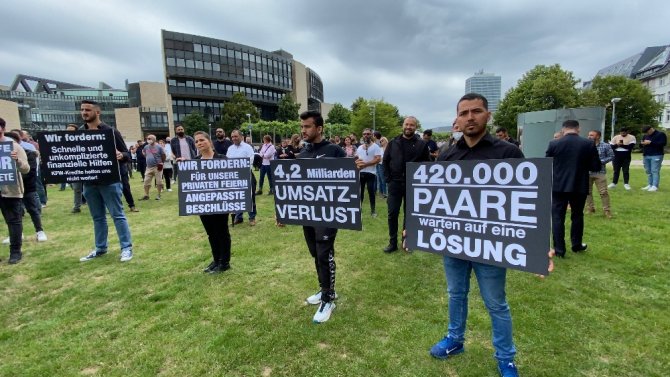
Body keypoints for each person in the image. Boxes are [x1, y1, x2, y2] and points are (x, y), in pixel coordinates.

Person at [431, 93, 526, 377]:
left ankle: (506, 357)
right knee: (456, 293)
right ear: (457, 119)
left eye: (476, 111)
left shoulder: (508, 153)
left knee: (496, 302)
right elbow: (434, 197)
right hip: (454, 240)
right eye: (464, 113)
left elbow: (526, 201)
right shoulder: (448, 154)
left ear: (488, 115)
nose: (470, 117)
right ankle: (455, 340)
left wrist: (536, 243)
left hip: (491, 244)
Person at [298, 110, 346, 323]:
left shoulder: (335, 151)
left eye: (307, 126)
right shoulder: (303, 154)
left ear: (319, 128)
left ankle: (328, 298)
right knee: (315, 254)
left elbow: (347, 181)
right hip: (308, 214)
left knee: (325, 254)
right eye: (302, 127)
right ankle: (324, 289)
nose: (303, 130)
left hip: (328, 214)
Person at [77, 100, 134, 263]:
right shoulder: (80, 132)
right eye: (82, 110)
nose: (84, 113)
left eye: (87, 110)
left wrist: (121, 155)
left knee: (118, 215)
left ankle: (126, 248)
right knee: (97, 217)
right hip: (89, 182)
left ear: (97, 112)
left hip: (110, 181)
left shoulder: (111, 131)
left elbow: (127, 154)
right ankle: (100, 248)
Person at [545, 120, 600, 258]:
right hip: (579, 184)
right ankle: (576, 244)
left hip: (558, 184)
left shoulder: (554, 143)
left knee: (557, 217)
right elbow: (596, 166)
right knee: (577, 215)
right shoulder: (588, 143)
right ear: (578, 129)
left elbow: (546, 163)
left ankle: (559, 249)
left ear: (563, 130)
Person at [382, 116, 430, 253]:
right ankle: (392, 243)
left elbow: (427, 164)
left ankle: (406, 241)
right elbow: (385, 161)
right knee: (392, 213)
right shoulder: (393, 142)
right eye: (407, 124)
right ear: (403, 125)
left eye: (412, 125)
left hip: (412, 184)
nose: (409, 127)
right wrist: (388, 178)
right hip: (395, 184)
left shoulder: (421, 144)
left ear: (416, 127)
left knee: (409, 215)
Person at [193, 131, 232, 273]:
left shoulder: (222, 159)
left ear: (209, 142)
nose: (199, 143)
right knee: (211, 233)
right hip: (203, 203)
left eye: (202, 140)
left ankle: (225, 262)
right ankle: (216, 260)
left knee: (222, 232)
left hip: (221, 203)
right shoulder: (195, 162)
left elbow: (231, 182)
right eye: (196, 141)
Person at [6, 130, 47, 243]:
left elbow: (30, 171)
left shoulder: (29, 153)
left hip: (27, 188)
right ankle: (16, 234)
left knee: (33, 210)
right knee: (14, 213)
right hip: (11, 189)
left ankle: (40, 231)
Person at [0, 122, 30, 264]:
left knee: (14, 221)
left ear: (3, 129)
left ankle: (15, 252)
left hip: (10, 190)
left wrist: (16, 160)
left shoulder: (14, 146)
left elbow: (26, 169)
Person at [227, 129, 257, 226]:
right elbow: (227, 161)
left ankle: (252, 217)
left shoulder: (248, 147)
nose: (234, 138)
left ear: (241, 137)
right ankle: (238, 217)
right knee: (237, 197)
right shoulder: (230, 148)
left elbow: (250, 160)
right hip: (234, 176)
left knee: (249, 196)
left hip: (246, 174)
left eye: (236, 136)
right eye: (232, 137)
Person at [585, 130, 614, 218]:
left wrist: (600, 162)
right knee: (587, 192)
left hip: (600, 172)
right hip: (587, 172)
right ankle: (590, 208)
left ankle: (607, 210)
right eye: (589, 135)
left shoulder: (605, 146)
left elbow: (611, 156)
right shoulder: (585, 146)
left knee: (603, 192)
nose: (589, 137)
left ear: (598, 136)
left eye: (592, 135)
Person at [355, 128, 383, 217]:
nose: (366, 135)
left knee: (371, 192)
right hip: (361, 173)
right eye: (364, 134)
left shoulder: (375, 146)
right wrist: (357, 164)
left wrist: (365, 164)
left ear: (371, 135)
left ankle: (373, 211)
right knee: (360, 193)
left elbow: (378, 159)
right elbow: (357, 158)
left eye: (368, 134)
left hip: (371, 173)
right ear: (362, 135)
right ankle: (359, 209)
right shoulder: (359, 147)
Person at [65, 124, 87, 213]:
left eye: (71, 131)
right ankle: (78, 205)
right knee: (75, 187)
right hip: (73, 168)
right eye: (67, 131)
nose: (69, 133)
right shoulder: (64, 142)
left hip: (84, 167)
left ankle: (78, 205)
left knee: (87, 187)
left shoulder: (83, 141)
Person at [640, 124, 667, 192]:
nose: (647, 134)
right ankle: (650, 184)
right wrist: (642, 144)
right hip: (646, 155)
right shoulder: (646, 135)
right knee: (648, 171)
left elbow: (663, 143)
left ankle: (655, 186)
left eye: (647, 132)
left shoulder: (660, 134)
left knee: (654, 170)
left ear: (651, 129)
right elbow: (641, 145)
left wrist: (651, 143)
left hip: (656, 154)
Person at [140, 134, 166, 201]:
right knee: (146, 181)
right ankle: (146, 195)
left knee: (159, 182)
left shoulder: (159, 147)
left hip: (157, 167)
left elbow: (163, 155)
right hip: (148, 167)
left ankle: (159, 194)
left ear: (154, 139)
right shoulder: (146, 147)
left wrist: (161, 163)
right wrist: (147, 158)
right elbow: (143, 152)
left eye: (149, 138)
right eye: (147, 138)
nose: (148, 140)